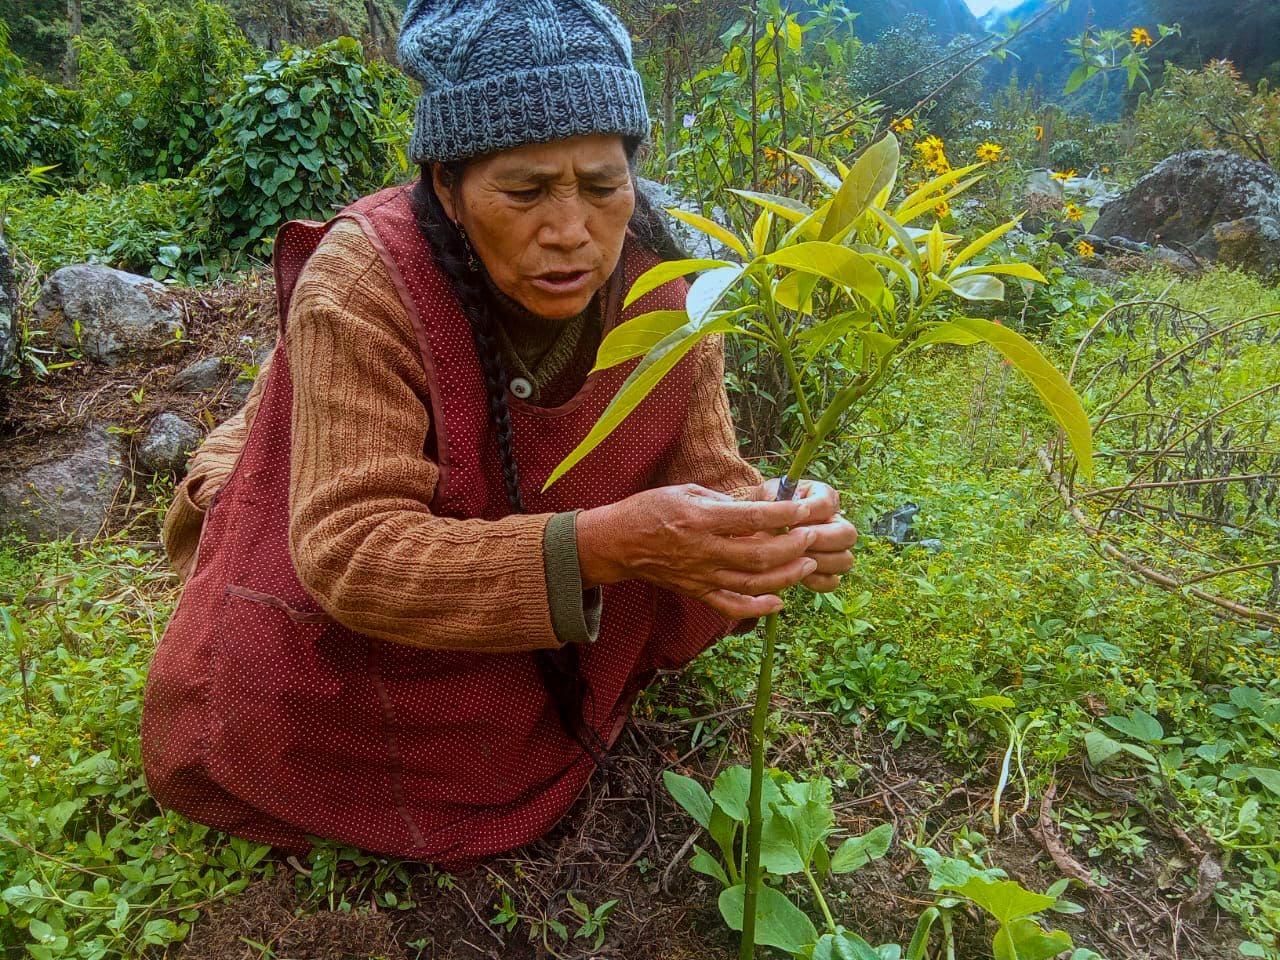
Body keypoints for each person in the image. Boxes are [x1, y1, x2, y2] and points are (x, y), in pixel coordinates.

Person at [140, 0, 857, 863]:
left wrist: (775, 524)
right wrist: (602, 546)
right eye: (524, 191)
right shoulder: (366, 283)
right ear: (447, 186)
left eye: (603, 186)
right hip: (394, 586)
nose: (570, 232)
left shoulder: (667, 282)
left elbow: (709, 468)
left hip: (531, 578)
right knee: (271, 698)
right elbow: (350, 550)